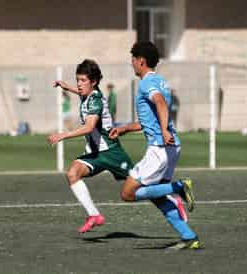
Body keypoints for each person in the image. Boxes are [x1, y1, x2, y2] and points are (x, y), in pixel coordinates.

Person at [109, 41, 201, 249]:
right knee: (158, 196)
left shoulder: (146, 84)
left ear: (141, 61)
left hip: (159, 148)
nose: (131, 63)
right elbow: (148, 119)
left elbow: (159, 103)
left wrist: (165, 130)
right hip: (171, 147)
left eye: (133, 59)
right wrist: (123, 128)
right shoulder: (161, 81)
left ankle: (179, 186)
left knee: (127, 194)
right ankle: (189, 237)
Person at [49, 59, 134, 233]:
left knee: (140, 186)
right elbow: (80, 92)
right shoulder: (87, 94)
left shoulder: (95, 100)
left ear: (94, 82)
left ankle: (173, 192)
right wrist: (66, 87)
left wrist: (63, 135)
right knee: (73, 173)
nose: (79, 85)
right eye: (77, 80)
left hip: (111, 153)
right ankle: (94, 215)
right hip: (96, 154)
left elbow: (89, 127)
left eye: (83, 81)